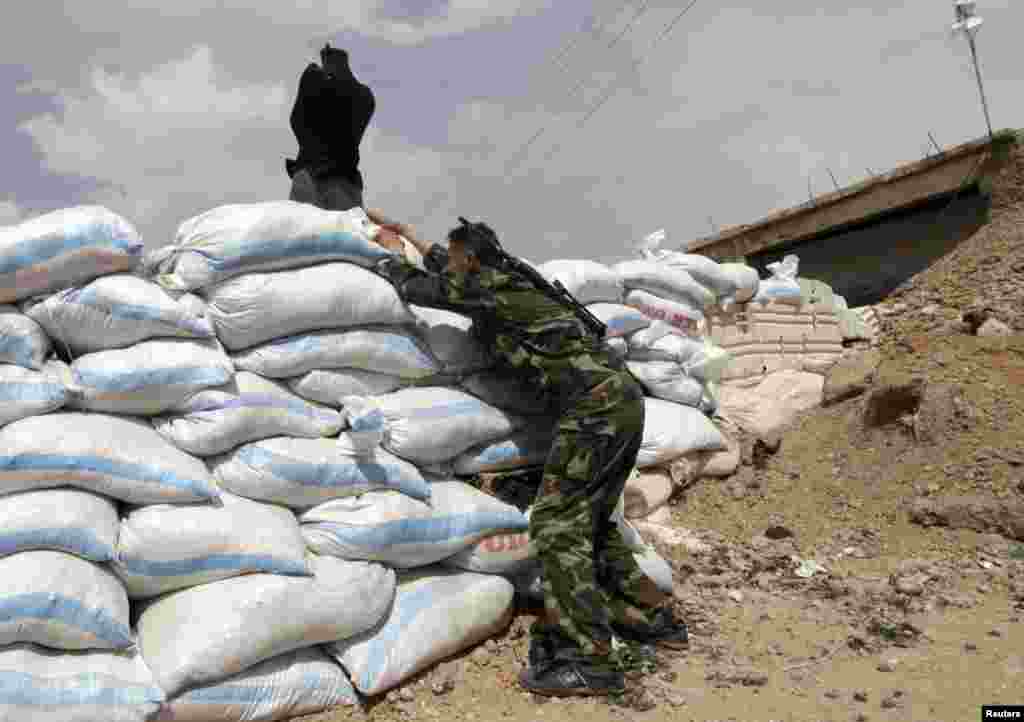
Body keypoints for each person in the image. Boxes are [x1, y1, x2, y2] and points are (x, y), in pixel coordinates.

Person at [366, 212, 689, 698]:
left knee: (558, 526)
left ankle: (590, 661)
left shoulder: (490, 287)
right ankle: (651, 619)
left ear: (472, 261)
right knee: (593, 521)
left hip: (594, 411)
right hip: (618, 401)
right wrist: (411, 233)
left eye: (456, 260)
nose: (449, 266)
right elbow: (448, 272)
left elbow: (431, 289)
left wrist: (389, 260)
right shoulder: (509, 280)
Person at [286, 43, 375, 211]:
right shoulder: (365, 95)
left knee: (305, 233)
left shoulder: (314, 82)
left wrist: (311, 75)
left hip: (311, 178)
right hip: (349, 182)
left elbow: (296, 121)